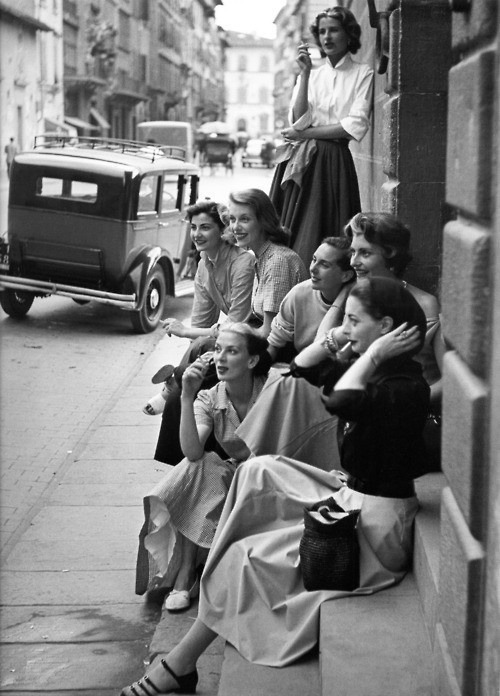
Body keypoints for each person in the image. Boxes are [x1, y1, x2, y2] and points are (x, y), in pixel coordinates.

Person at [120, 277, 430, 695]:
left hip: (377, 529)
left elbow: (340, 401)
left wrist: (371, 352)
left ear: (386, 326)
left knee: (244, 559)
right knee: (256, 471)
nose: (347, 329)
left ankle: (179, 666)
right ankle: (183, 656)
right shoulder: (377, 371)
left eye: (355, 321)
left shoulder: (405, 385)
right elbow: (298, 370)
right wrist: (341, 338)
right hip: (350, 497)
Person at [135, 323, 272, 613]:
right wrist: (185, 395)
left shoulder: (274, 388)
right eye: (218, 350)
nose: (221, 358)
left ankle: (200, 570)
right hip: (243, 475)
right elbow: (192, 451)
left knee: (227, 471)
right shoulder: (209, 398)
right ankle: (186, 573)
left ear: (252, 360)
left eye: (231, 351)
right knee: (198, 467)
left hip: (277, 478)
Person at [269, 7, 374, 267]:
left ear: (349, 34)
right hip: (302, 161)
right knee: (293, 233)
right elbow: (299, 120)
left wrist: (305, 133)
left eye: (334, 30)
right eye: (322, 31)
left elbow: (353, 125)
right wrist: (304, 75)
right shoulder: (312, 76)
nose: (327, 37)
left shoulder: (363, 73)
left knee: (329, 232)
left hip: (334, 162)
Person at [142, 200, 255, 416]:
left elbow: (235, 325)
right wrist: (190, 362)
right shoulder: (204, 264)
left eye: (205, 227)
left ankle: (171, 388)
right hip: (229, 338)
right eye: (193, 227)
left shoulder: (243, 264)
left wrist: (183, 331)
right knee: (198, 353)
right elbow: (201, 322)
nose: (196, 234)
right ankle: (175, 386)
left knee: (202, 350)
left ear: (223, 231)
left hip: (255, 336)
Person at [225, 188, 308, 338]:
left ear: (264, 221)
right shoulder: (262, 256)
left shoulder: (277, 260)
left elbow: (268, 332)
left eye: (244, 219)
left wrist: (228, 332)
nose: (235, 227)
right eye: (232, 219)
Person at [266, 236, 354, 362]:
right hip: (303, 366)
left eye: (324, 265)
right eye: (314, 260)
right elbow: (274, 343)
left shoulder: (355, 303)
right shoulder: (299, 293)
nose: (313, 268)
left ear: (345, 276)